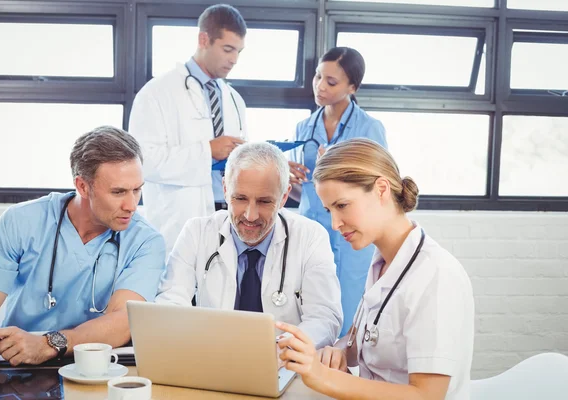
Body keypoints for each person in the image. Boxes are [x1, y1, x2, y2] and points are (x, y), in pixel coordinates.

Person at [278, 138, 474, 400]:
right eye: (329, 210)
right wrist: (336, 351)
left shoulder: (435, 275)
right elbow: (365, 336)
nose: (335, 223)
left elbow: (426, 396)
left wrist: (324, 376)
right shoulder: (382, 263)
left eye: (342, 205)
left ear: (381, 189)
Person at [0, 126, 166, 368]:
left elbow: (122, 322)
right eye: (118, 192)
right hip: (18, 364)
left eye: (137, 190)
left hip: (97, 366)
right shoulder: (20, 222)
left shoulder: (146, 241)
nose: (132, 205)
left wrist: (48, 344)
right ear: (82, 186)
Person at [156, 142, 343, 349]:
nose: (250, 215)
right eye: (240, 198)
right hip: (211, 358)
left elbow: (324, 318)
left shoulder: (310, 237)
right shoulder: (197, 232)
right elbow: (170, 304)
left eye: (264, 202)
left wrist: (282, 349)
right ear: (226, 189)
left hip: (285, 363)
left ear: (284, 197)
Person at [129, 4, 248, 253]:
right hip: (178, 221)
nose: (234, 60)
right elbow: (143, 161)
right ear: (203, 39)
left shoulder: (234, 98)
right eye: (227, 49)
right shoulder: (156, 93)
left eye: (238, 51)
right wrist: (207, 151)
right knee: (180, 288)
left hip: (229, 216)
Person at [288, 47, 388, 335]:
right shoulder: (302, 128)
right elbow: (304, 194)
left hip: (351, 236)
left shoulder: (369, 128)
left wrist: (337, 169)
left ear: (352, 87)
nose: (320, 86)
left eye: (331, 82)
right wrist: (288, 178)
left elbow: (381, 186)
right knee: (309, 310)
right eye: (318, 76)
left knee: (350, 314)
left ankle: (346, 376)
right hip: (310, 231)